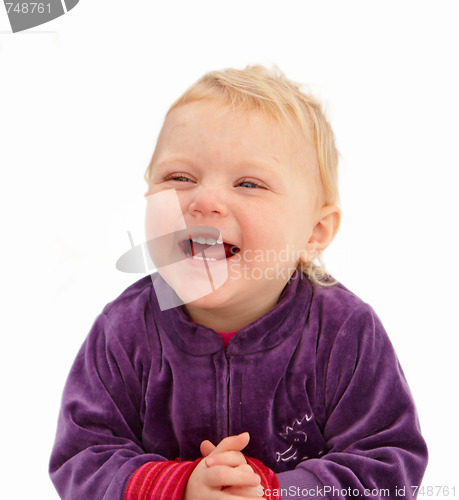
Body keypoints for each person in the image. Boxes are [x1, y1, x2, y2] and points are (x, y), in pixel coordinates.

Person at [49, 66, 428, 499]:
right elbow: (82, 456)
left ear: (314, 233)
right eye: (179, 177)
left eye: (248, 183)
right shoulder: (124, 329)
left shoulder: (345, 332)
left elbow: (389, 465)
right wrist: (180, 487)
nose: (204, 200)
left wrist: (276, 493)